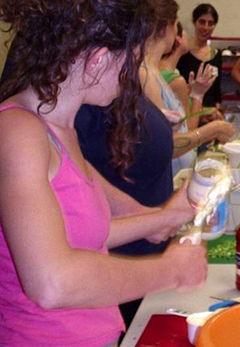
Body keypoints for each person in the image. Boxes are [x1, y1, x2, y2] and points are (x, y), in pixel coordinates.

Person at [0, 0, 207, 345]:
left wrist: (160, 219)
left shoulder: (62, 128)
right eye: (132, 63)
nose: (132, 79)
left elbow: (83, 233)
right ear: (98, 60)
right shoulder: (18, 132)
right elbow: (52, 281)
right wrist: (170, 270)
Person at [140, 0, 234, 175]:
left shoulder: (155, 73)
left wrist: (196, 95)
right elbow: (163, 145)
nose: (178, 32)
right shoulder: (146, 75)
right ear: (164, 28)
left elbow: (174, 130)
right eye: (176, 25)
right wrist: (213, 130)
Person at [176, 3, 222, 109]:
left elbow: (216, 92)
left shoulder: (216, 54)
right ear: (194, 22)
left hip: (210, 112)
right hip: (187, 109)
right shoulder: (182, 50)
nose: (206, 28)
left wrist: (217, 111)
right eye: (202, 22)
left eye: (210, 23)